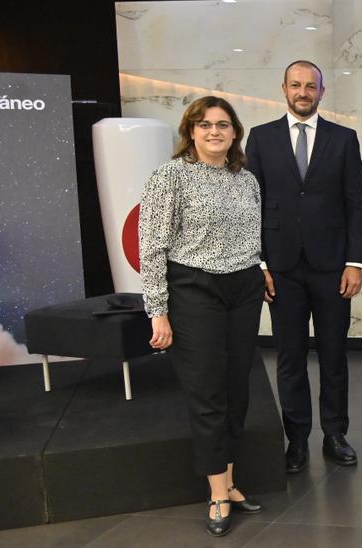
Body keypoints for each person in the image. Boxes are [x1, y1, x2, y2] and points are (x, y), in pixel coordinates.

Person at [139, 96, 266, 536]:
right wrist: (157, 310)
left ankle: (229, 483)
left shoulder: (246, 180)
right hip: (194, 291)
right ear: (190, 131)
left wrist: (261, 271)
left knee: (237, 389)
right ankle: (216, 492)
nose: (215, 132)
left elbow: (254, 237)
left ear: (235, 133)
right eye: (205, 124)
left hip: (244, 289)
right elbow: (151, 248)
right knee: (208, 391)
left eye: (223, 125)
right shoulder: (169, 176)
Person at [245, 60, 362, 473]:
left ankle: (335, 434)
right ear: (283, 89)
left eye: (310, 86)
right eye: (296, 85)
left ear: (322, 91)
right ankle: (296, 441)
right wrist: (258, 264)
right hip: (281, 269)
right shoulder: (260, 139)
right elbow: (251, 206)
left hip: (333, 266)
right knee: (290, 358)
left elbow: (356, 203)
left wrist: (355, 262)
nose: (303, 92)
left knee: (334, 355)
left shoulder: (344, 139)